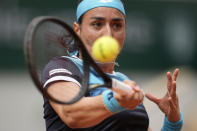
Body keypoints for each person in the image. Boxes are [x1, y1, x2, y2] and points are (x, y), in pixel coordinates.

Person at [42, 0, 183, 130]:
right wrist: (116, 100)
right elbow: (71, 113)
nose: (108, 34)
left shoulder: (124, 82)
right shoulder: (63, 67)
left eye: (117, 25)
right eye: (97, 24)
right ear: (78, 30)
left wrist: (173, 122)